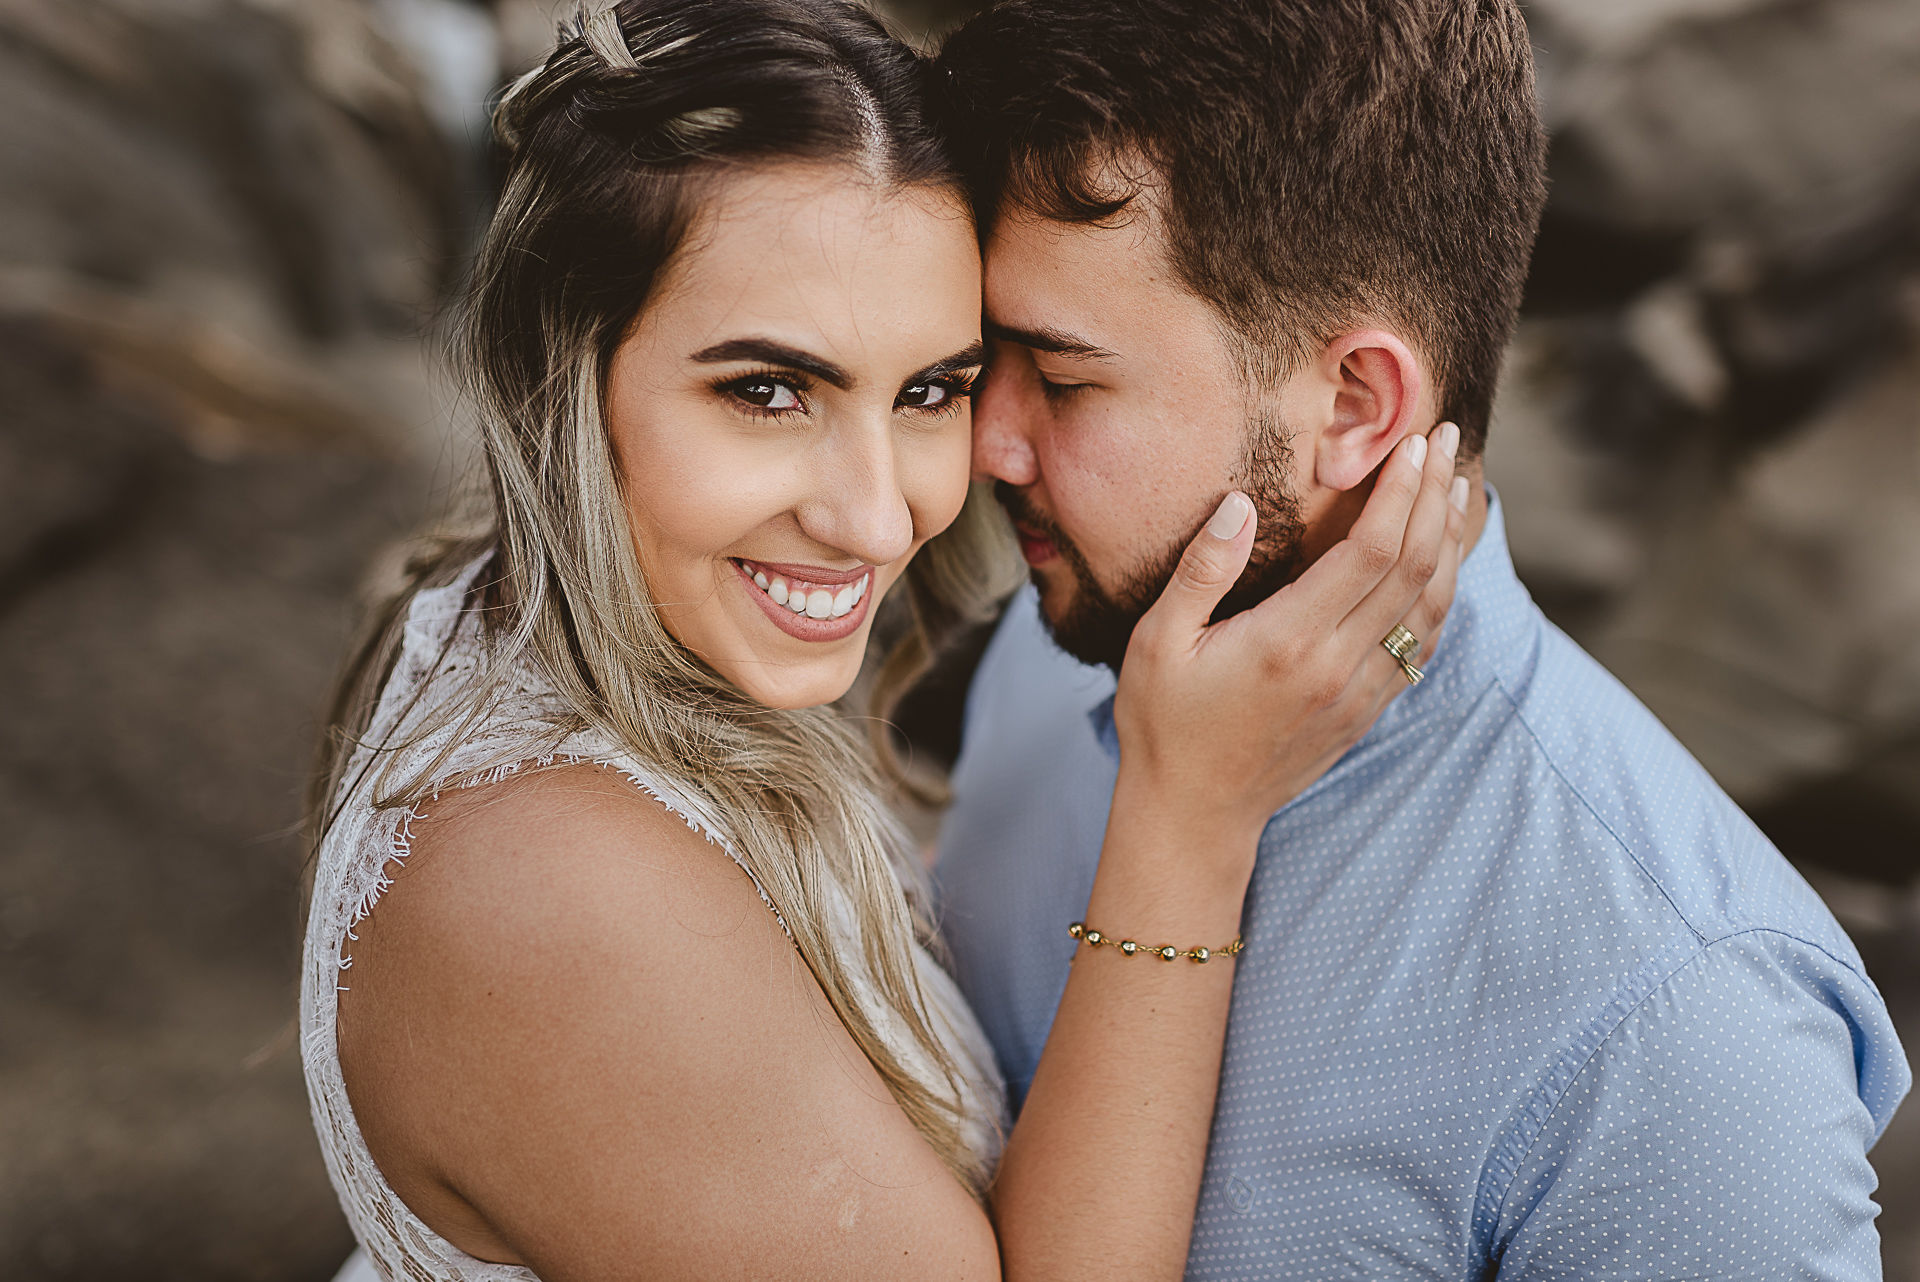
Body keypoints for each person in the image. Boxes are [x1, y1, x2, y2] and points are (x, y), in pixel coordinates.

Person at [300, 2, 1470, 1278]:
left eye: (930, 391)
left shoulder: (576, 626)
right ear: (559, 374)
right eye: (766, 390)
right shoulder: (552, 885)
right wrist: (1188, 820)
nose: (875, 516)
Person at [928, 0, 1911, 1276]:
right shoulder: (1067, 628)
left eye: (1063, 382)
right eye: (986, 362)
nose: (988, 446)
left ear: (1355, 405)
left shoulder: (1682, 1025)